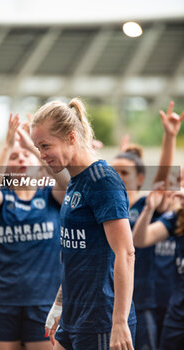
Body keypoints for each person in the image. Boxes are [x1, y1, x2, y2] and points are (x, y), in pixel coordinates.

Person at [30, 98, 136, 350]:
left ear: (71, 138)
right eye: (37, 147)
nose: (42, 155)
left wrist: (119, 322)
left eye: (45, 146)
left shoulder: (103, 181)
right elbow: (76, 255)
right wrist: (59, 303)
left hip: (102, 321)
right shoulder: (76, 180)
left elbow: (126, 253)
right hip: (74, 317)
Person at [0, 113, 66, 350]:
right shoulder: (0, 198)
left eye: (26, 156)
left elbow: (67, 181)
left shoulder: (51, 195)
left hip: (43, 302)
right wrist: (8, 145)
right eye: (14, 157)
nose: (21, 159)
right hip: (2, 301)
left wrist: (31, 147)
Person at [111, 101, 184, 350]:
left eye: (124, 172)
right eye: (114, 171)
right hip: (115, 299)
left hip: (146, 299)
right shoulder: (108, 208)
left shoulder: (145, 204)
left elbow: (163, 179)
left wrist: (169, 137)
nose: (118, 177)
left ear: (141, 178)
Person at [132, 184, 184, 350]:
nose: (178, 189)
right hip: (177, 313)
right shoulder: (177, 217)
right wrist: (149, 209)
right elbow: (140, 240)